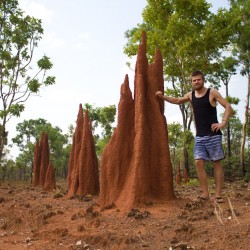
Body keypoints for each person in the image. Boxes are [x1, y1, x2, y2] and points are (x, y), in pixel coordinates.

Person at [156, 70, 232, 202]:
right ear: (191, 82)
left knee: (217, 163)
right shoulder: (191, 95)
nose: (196, 82)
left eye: (198, 80)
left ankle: (218, 195)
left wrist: (223, 123)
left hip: (213, 135)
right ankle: (205, 193)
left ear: (203, 80)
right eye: (194, 80)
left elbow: (227, 106)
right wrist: (163, 97)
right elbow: (178, 100)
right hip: (200, 136)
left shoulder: (211, 92)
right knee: (198, 162)